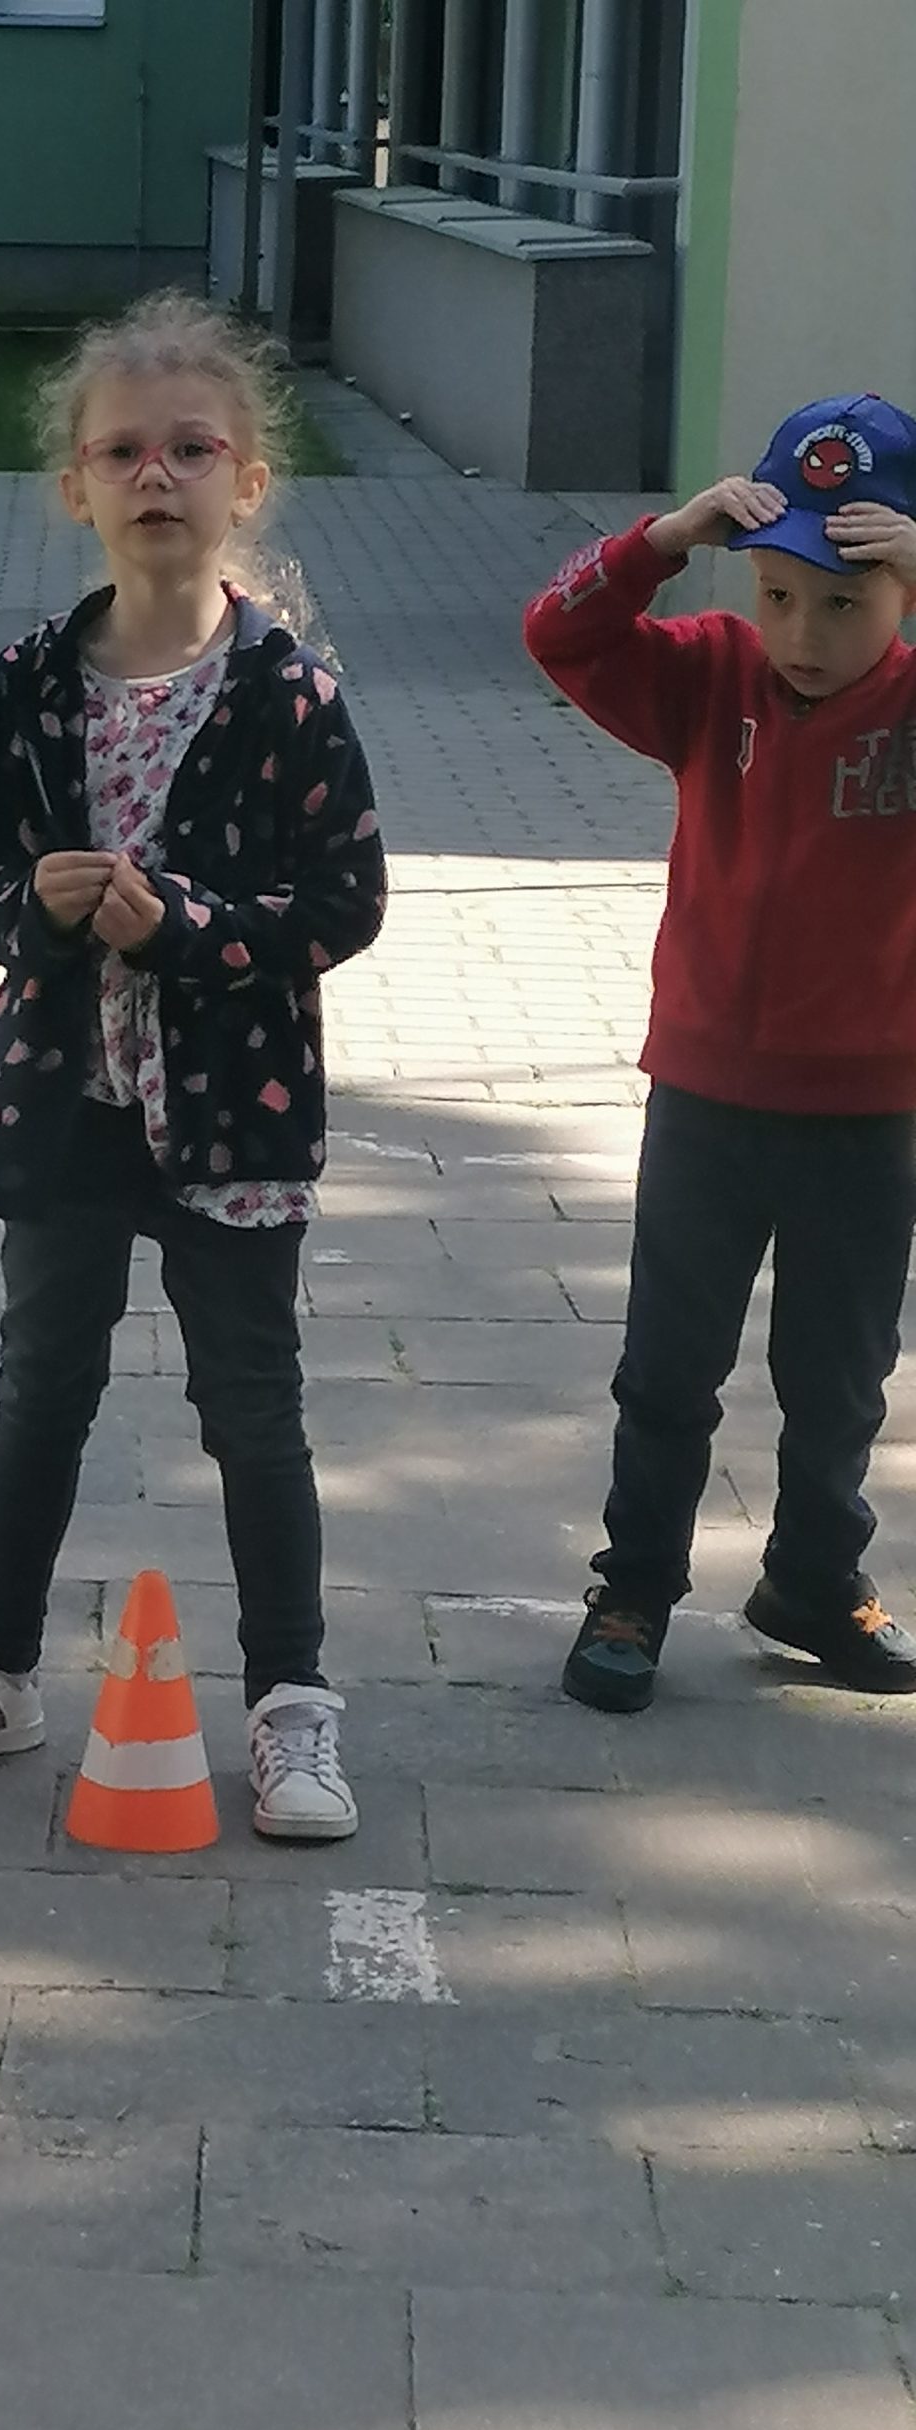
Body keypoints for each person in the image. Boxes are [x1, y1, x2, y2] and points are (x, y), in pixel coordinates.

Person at [0, 292, 386, 1840]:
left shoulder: (290, 693)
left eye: (192, 449)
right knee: (40, 1389)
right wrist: (29, 904)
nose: (158, 473)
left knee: (253, 1406)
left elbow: (344, 902)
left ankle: (290, 1703)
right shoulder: (27, 682)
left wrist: (194, 931)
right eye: (124, 452)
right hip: (68, 1103)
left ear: (248, 482)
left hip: (236, 1112)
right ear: (76, 487)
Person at [525, 393, 916, 1713]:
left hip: (870, 1111)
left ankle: (815, 1578)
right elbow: (559, 630)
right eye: (780, 594)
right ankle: (634, 1586)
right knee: (669, 1368)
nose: (804, 634)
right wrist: (662, 541)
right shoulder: (709, 675)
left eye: (847, 603)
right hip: (705, 1099)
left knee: (840, 1378)